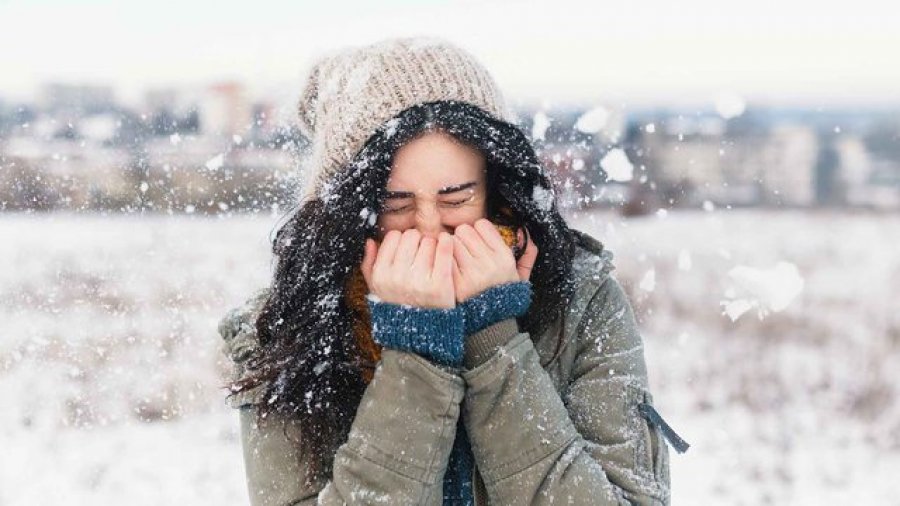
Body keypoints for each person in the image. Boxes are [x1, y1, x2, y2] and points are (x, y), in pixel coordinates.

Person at [218, 36, 688, 506]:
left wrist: (494, 341)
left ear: (496, 188)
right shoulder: (286, 334)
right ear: (351, 211)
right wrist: (415, 354)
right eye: (396, 204)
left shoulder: (581, 305)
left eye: (455, 199)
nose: (429, 229)